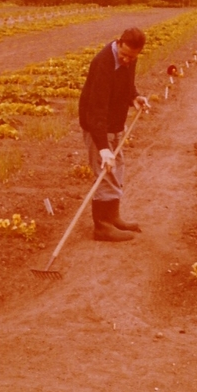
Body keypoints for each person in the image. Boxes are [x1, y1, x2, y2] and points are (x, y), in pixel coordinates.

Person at [78, 27, 150, 242]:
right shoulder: (103, 63)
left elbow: (126, 86)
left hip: (115, 124)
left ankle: (113, 217)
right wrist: (102, 147)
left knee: (116, 170)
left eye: (132, 57)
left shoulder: (129, 59)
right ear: (119, 43)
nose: (127, 60)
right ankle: (102, 226)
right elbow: (96, 108)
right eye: (124, 54)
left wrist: (135, 98)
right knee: (105, 173)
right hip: (97, 125)